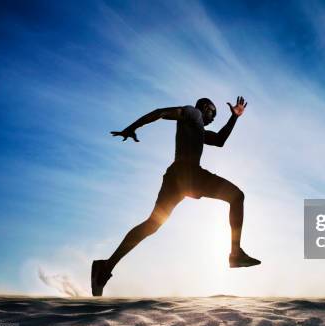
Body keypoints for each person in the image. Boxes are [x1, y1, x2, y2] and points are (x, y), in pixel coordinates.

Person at [91, 96, 260, 296]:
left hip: (176, 180)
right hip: (189, 174)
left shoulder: (197, 129)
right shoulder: (192, 112)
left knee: (151, 224)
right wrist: (132, 127)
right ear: (204, 107)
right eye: (213, 113)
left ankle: (106, 267)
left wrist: (234, 118)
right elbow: (160, 112)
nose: (213, 118)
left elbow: (220, 141)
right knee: (237, 196)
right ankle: (235, 253)